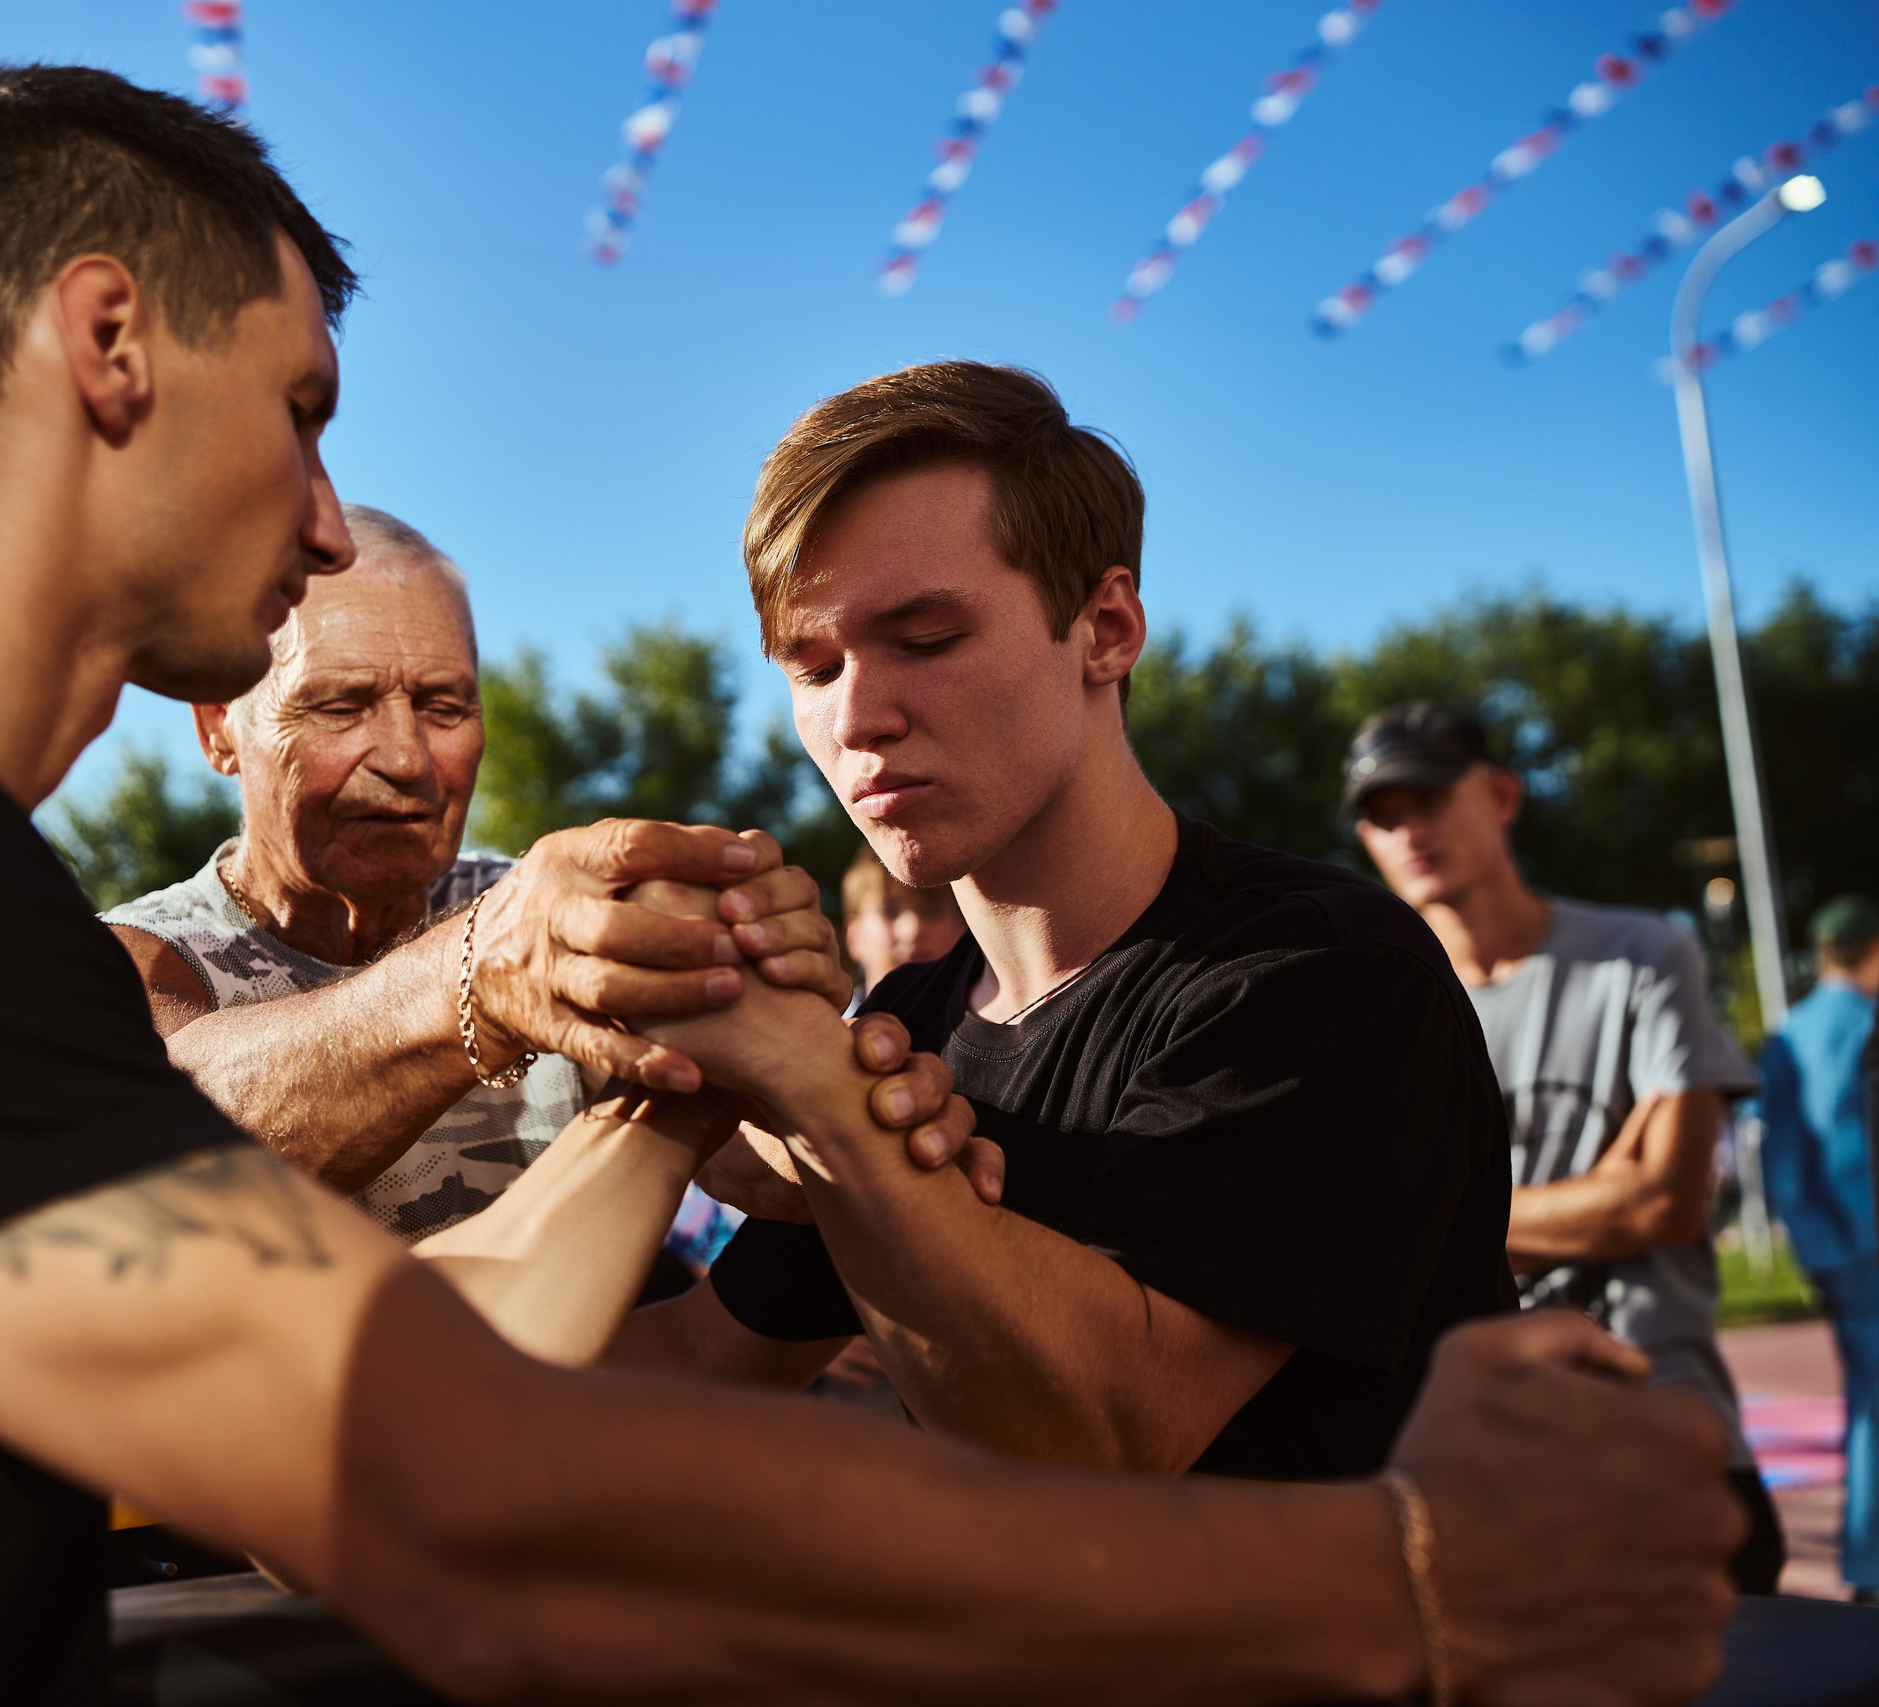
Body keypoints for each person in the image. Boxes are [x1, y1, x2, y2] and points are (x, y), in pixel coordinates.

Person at [0, 68, 1743, 1707]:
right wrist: (1403, 1573)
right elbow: (454, 1493)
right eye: (304, 414)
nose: (317, 522)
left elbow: (405, 1341)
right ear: (104, 342)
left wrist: (677, 1091)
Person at [613, 361, 1518, 1490]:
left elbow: (1100, 1438)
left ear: (1104, 628)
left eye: (925, 638)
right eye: (813, 664)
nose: (857, 717)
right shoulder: (905, 1021)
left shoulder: (1315, 973)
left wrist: (817, 1109)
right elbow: (693, 1364)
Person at [98, 506, 986, 1249]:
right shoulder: (144, 955)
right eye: (341, 705)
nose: (408, 757)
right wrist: (482, 976)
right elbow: (163, 1130)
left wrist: (851, 1099)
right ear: (218, 729)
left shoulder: (556, 919)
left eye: (446, 706)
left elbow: (752, 1160)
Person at [1348, 701, 1783, 1593]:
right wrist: (1594, 1193)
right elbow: (1360, 1235)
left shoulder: (1641, 956)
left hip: (1663, 1435)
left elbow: (1664, 1200)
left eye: (1427, 795)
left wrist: (1446, 1217)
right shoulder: (1369, 1011)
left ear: (1503, 794)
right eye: (1381, 812)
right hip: (1479, 1462)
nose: (1407, 829)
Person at [1761, 894, 1879, 1603]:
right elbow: (1856, 1140)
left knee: (1866, 1396)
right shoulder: (1868, 1025)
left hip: (1824, 1242)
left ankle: (1866, 1559)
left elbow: (1783, 1153)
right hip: (1868, 1239)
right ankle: (1868, 1561)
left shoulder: (1789, 1030)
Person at [840, 845, 966, 1004]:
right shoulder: (821, 1026)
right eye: (890, 911)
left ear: (963, 927)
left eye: (931, 911)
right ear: (854, 936)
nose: (913, 930)